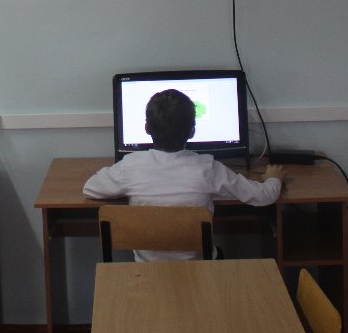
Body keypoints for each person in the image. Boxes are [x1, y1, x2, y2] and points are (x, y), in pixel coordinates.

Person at [82, 88, 284, 260]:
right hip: (199, 270)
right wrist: (273, 178)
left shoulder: (130, 166)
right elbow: (264, 196)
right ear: (192, 131)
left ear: (146, 128)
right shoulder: (208, 168)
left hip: (148, 273)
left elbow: (90, 188)